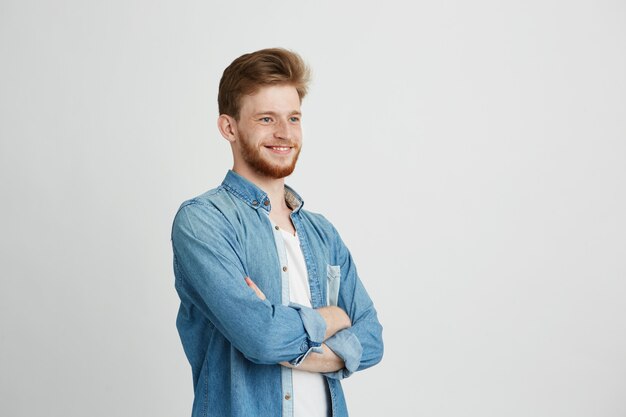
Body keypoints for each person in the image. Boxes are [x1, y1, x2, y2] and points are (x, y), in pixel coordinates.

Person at [171, 47, 383, 417]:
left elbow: (373, 338)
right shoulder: (203, 221)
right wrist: (331, 319)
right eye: (267, 119)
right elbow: (263, 338)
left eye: (294, 118)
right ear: (229, 127)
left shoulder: (322, 233)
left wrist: (288, 340)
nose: (285, 133)